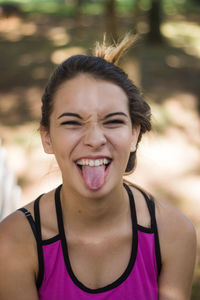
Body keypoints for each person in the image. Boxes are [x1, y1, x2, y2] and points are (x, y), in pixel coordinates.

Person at [0, 35, 197, 300]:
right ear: (47, 138)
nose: (94, 140)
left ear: (133, 135)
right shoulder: (13, 241)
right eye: (72, 122)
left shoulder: (173, 233)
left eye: (113, 121)